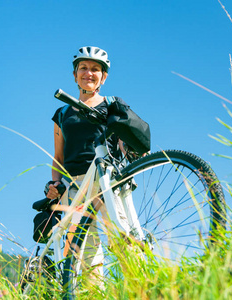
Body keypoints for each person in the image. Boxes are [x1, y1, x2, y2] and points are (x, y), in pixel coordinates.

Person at [45, 46, 148, 278]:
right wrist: (55, 184)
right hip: (75, 186)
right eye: (83, 68)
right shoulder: (62, 114)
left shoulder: (112, 104)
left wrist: (131, 159)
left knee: (122, 238)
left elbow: (125, 142)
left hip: (107, 178)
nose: (88, 73)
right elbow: (58, 157)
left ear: (103, 77)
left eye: (95, 69)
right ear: (75, 75)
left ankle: (142, 288)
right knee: (85, 253)